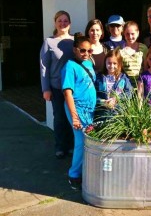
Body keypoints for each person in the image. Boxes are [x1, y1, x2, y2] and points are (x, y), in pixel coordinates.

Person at [61, 33, 96, 190]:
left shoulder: (89, 64)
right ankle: (73, 175)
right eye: (83, 51)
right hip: (77, 109)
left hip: (89, 110)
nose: (86, 54)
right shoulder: (70, 66)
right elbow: (67, 92)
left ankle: (84, 171)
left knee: (88, 142)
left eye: (89, 51)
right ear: (75, 50)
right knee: (82, 142)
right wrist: (74, 117)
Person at [40, 10, 74, 159]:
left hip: (73, 88)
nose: (63, 23)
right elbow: (44, 66)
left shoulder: (75, 41)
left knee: (72, 117)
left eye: (65, 21)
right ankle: (60, 146)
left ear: (70, 23)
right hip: (57, 87)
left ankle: (72, 145)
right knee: (59, 118)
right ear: (55, 23)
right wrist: (45, 88)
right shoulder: (49, 42)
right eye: (60, 20)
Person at [94, 48, 132, 122]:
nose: (111, 66)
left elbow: (130, 92)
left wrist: (117, 99)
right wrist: (103, 102)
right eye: (109, 63)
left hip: (119, 113)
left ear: (119, 64)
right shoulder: (99, 77)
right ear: (105, 63)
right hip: (102, 114)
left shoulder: (123, 77)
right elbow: (94, 94)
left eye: (114, 63)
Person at [120, 20, 148, 87]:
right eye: (127, 34)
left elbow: (146, 68)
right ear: (124, 34)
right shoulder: (119, 50)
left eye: (132, 34)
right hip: (124, 86)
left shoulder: (143, 48)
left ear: (138, 33)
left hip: (140, 85)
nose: (130, 37)